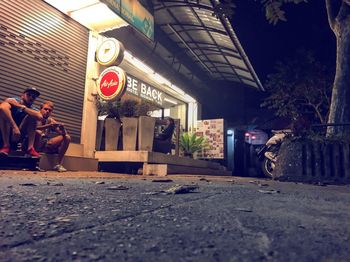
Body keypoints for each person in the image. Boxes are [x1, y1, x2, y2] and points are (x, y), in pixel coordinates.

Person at [0, 87, 43, 157]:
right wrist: (14, 127)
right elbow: (3, 106)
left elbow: (40, 116)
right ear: (22, 95)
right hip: (5, 132)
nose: (31, 98)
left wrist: (24, 108)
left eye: (33, 97)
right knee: (3, 110)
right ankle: (6, 145)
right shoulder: (15, 100)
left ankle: (30, 148)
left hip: (19, 135)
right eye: (29, 95)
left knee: (33, 115)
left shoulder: (32, 108)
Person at [34, 101, 71, 172]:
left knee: (67, 137)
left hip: (45, 143)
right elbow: (35, 129)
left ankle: (58, 164)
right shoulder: (35, 115)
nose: (47, 111)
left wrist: (62, 128)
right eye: (45, 109)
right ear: (40, 109)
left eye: (50, 110)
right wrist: (48, 126)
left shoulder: (50, 120)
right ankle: (35, 162)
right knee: (38, 133)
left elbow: (64, 134)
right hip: (34, 143)